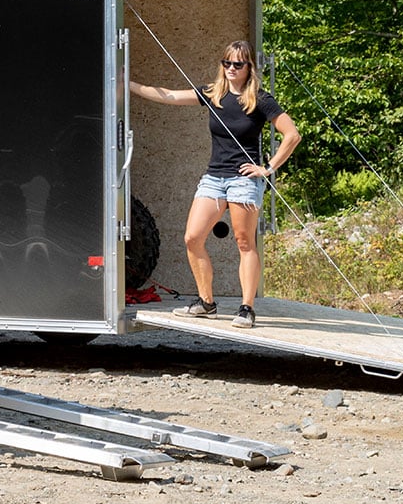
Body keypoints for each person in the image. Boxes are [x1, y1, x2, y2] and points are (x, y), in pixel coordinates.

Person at [129, 41, 301, 329]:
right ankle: (206, 303)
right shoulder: (214, 94)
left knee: (244, 242)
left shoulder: (259, 98)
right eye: (227, 63)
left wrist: (268, 168)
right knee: (192, 238)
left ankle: (246, 308)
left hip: (243, 181)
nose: (231, 69)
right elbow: (170, 96)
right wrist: (129, 84)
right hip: (213, 178)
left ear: (249, 68)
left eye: (238, 64)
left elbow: (292, 135)